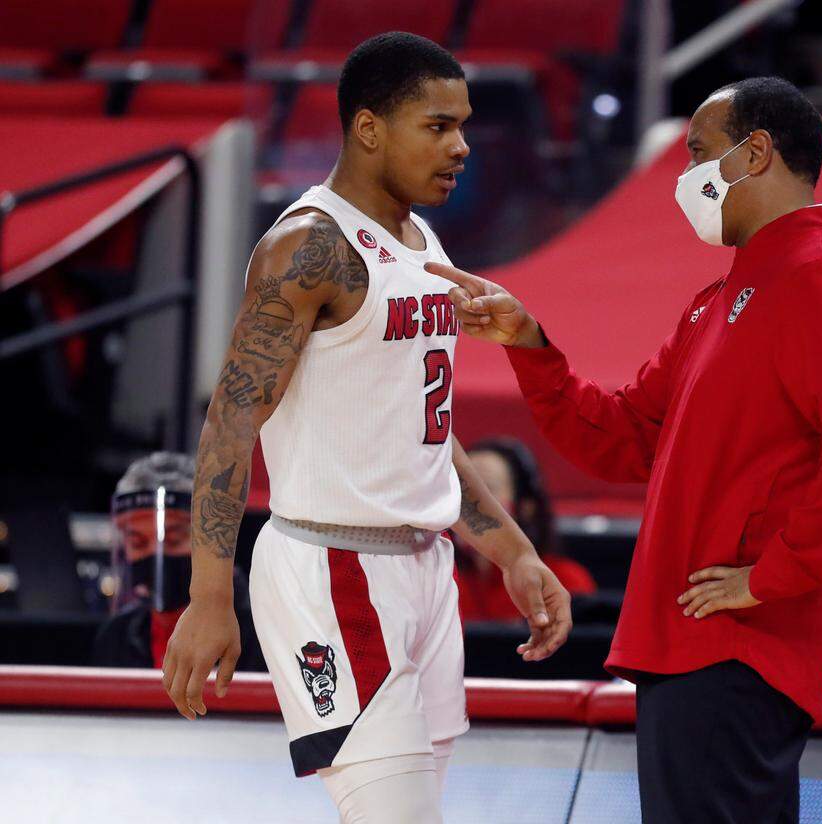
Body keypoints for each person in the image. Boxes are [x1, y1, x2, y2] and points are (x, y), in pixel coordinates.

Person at [428, 77, 822, 823]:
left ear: (757, 153)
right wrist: (529, 345)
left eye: (697, 155)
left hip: (736, 645)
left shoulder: (820, 273)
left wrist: (774, 575)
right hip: (691, 644)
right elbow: (622, 438)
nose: (684, 180)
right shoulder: (720, 298)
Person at [159, 32, 572, 824]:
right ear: (369, 128)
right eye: (438, 126)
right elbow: (229, 421)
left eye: (464, 126)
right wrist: (211, 595)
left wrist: (513, 551)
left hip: (424, 568)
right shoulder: (308, 247)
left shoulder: (421, 241)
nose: (460, 147)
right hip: (333, 567)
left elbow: (423, 428)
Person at [92, 452, 263, 671]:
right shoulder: (116, 636)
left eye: (172, 540)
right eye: (137, 543)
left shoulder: (261, 631)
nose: (156, 555)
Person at [456, 437, 596, 623]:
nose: (466, 504)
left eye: (488, 489)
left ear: (525, 507)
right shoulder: (444, 580)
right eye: (458, 489)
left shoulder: (564, 582)